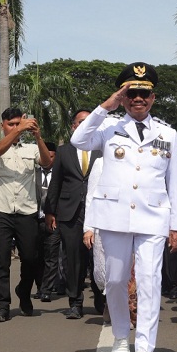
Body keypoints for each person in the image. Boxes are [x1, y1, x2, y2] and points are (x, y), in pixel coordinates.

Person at [70, 63, 177, 352]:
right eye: (132, 92)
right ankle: (121, 335)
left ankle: (145, 349)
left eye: (144, 93)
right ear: (123, 96)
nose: (138, 99)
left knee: (150, 282)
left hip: (153, 217)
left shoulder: (167, 133)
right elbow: (78, 140)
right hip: (115, 217)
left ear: (153, 97)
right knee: (116, 280)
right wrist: (107, 104)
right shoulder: (107, 128)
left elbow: (176, 182)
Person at [0, 107, 52, 322]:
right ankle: (2, 306)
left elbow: (47, 162)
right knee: (1, 260)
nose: (15, 128)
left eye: (18, 124)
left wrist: (38, 136)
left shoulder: (30, 148)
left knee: (31, 258)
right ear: (2, 125)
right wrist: (20, 128)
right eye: (11, 124)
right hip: (0, 209)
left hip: (27, 209)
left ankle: (24, 291)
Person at [46, 110, 102, 319]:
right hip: (71, 213)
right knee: (74, 259)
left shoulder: (103, 148)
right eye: (81, 122)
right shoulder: (64, 151)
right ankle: (75, 301)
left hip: (98, 212)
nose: (85, 125)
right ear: (73, 127)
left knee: (99, 257)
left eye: (89, 122)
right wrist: (50, 211)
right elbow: (56, 182)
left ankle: (100, 296)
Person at [36, 141, 62, 302]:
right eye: (46, 156)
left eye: (52, 156)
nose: (49, 160)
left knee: (52, 256)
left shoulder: (61, 175)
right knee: (35, 257)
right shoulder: (32, 173)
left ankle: (46, 289)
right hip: (34, 219)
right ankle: (39, 286)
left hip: (54, 221)